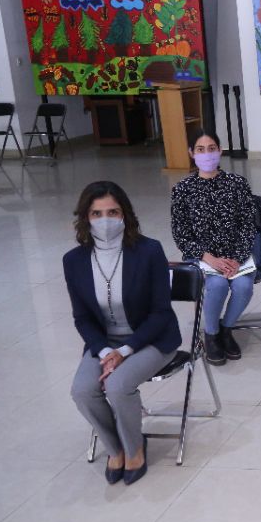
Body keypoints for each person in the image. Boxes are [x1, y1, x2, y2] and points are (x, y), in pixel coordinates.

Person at [66, 181, 181, 486]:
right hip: (105, 344)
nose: (105, 220)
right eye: (97, 213)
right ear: (85, 217)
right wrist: (106, 352)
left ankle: (135, 449)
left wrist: (125, 351)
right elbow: (82, 318)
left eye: (113, 212)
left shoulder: (149, 251)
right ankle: (115, 448)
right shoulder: (74, 261)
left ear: (125, 214)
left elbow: (161, 312)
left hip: (151, 339)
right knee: (82, 391)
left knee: (117, 386)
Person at [170, 130, 257, 364]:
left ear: (220, 151)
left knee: (243, 287)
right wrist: (208, 258)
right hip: (202, 258)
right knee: (217, 285)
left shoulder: (237, 184)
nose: (207, 154)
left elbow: (248, 225)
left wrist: (237, 258)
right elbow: (181, 234)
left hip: (236, 256)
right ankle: (211, 335)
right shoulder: (183, 189)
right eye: (200, 149)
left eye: (211, 149)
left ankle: (226, 330)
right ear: (191, 153)